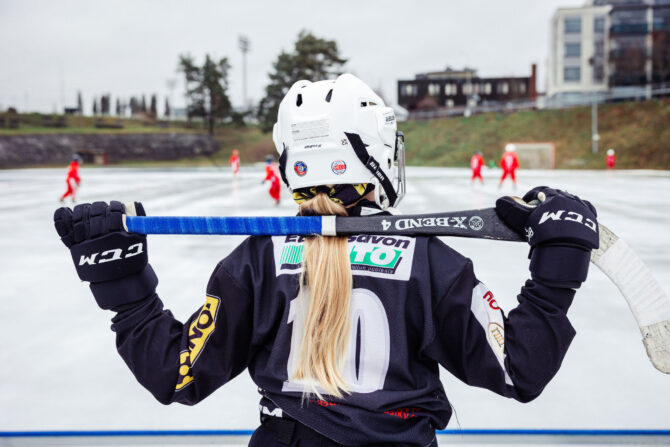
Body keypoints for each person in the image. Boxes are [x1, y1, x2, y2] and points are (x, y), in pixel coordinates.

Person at [53, 74, 599, 447]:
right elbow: (519, 368)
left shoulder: (257, 262)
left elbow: (176, 374)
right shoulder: (433, 264)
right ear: (377, 152)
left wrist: (125, 289)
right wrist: (556, 274)